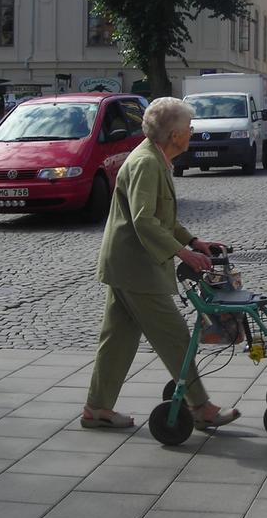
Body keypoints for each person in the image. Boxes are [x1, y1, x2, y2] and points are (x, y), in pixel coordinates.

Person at [81, 97, 240, 431]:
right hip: (136, 269)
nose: (192, 131)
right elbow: (144, 220)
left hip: (126, 266)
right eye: (188, 127)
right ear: (174, 135)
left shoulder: (157, 159)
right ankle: (200, 407)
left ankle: (96, 408)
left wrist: (193, 242)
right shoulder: (146, 163)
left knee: (117, 340)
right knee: (177, 337)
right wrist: (183, 253)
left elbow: (161, 217)